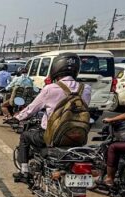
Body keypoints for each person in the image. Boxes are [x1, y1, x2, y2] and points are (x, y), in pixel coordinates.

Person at [11, 53, 92, 182]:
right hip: (77, 137)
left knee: (25, 136)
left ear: (56, 69)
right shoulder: (86, 89)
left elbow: (31, 109)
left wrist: (16, 118)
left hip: (51, 136)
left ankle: (24, 172)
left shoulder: (50, 89)